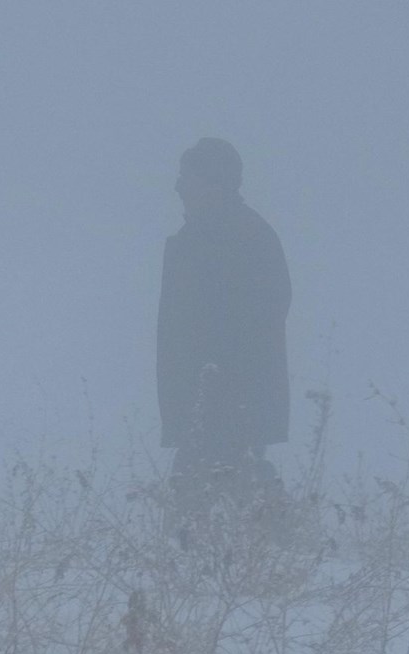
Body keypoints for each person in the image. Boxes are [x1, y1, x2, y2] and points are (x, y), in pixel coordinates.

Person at [157, 138, 291, 542]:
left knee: (205, 491)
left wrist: (222, 383)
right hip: (209, 397)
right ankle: (283, 549)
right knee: (229, 487)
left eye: (188, 177)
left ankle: (285, 552)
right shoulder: (205, 235)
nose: (179, 186)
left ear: (214, 182)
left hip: (225, 398)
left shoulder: (239, 236)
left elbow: (262, 313)